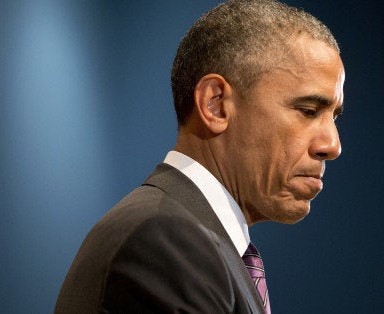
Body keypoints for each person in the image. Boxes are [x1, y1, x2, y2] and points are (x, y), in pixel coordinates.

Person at [55, 0, 344, 312]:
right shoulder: (165, 240)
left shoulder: (195, 238)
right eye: (308, 111)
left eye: (334, 117)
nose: (332, 145)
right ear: (216, 104)